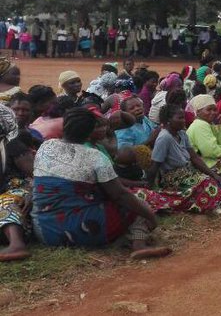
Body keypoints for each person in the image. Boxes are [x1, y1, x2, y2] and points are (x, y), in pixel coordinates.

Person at [31, 108, 171, 259]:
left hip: (43, 230)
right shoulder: (95, 157)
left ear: (64, 126)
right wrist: (149, 215)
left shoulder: (46, 146)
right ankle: (139, 244)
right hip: (83, 231)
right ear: (90, 132)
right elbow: (120, 195)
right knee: (135, 200)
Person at [0, 104, 34, 261]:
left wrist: (34, 192)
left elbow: (39, 174)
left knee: (4, 201)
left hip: (19, 192)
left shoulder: (11, 144)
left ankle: (16, 244)